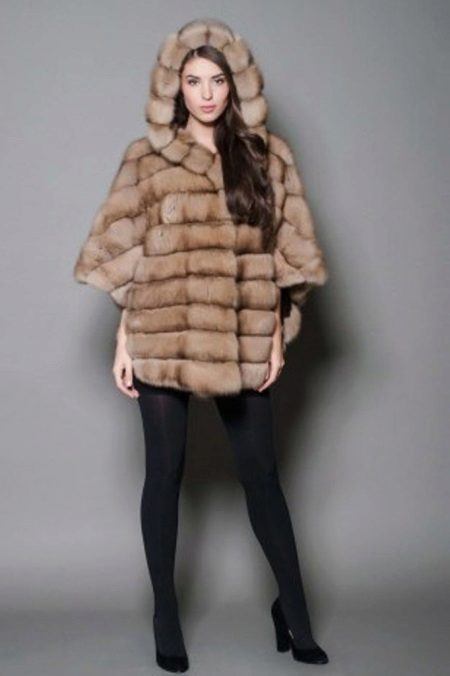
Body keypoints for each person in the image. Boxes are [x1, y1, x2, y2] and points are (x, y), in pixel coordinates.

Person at [73, 18, 330, 673]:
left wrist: (276, 337)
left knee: (262, 477)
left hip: (243, 337)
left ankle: (294, 613)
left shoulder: (267, 156)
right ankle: (166, 615)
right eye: (194, 81)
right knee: (164, 475)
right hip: (161, 333)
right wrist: (124, 341)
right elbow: (128, 255)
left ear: (236, 84)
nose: (207, 93)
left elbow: (285, 254)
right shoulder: (147, 157)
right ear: (175, 86)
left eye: (218, 80)